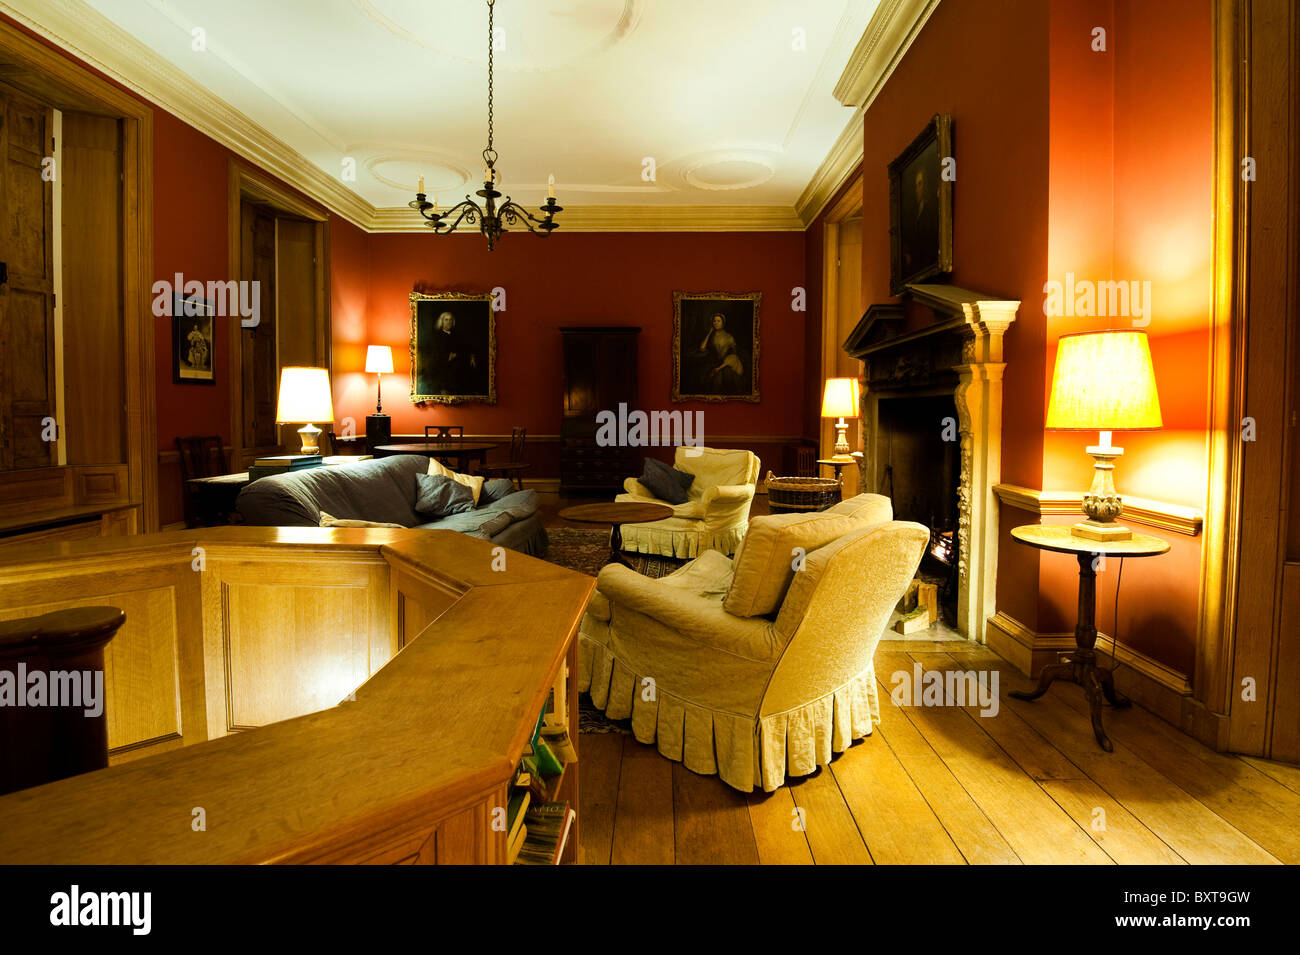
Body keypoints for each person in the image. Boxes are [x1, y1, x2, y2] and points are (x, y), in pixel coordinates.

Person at [426, 310, 478, 395]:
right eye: (446, 320)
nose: (448, 322)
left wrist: (471, 356)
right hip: (443, 366)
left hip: (459, 364)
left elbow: (465, 347)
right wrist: (448, 356)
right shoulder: (437, 335)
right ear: (442, 322)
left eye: (450, 320)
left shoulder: (456, 334)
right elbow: (435, 353)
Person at [697, 312, 744, 394]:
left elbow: (734, 354)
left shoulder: (729, 337)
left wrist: (723, 365)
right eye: (714, 321)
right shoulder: (711, 335)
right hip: (712, 362)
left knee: (722, 379)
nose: (716, 323)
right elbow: (702, 348)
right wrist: (709, 332)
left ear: (723, 323)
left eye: (718, 321)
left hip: (724, 363)